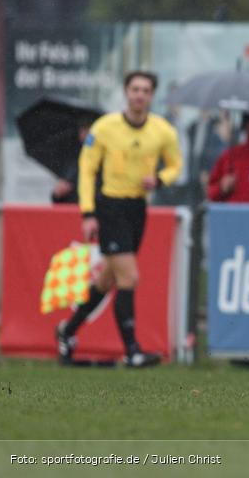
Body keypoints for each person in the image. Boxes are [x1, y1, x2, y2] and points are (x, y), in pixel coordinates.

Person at [56, 70, 182, 368]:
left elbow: (175, 165)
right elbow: (87, 170)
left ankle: (67, 331)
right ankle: (132, 351)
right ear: (126, 92)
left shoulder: (163, 131)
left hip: (137, 208)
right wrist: (88, 213)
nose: (139, 95)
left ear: (152, 96)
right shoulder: (105, 127)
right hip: (109, 206)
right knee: (129, 277)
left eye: (145, 90)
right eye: (135, 89)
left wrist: (160, 179)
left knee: (107, 279)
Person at [51, 120, 93, 204]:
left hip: (94, 208)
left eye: (88, 130)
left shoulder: (105, 160)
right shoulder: (72, 158)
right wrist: (57, 194)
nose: (85, 134)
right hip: (74, 208)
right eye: (82, 130)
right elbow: (59, 200)